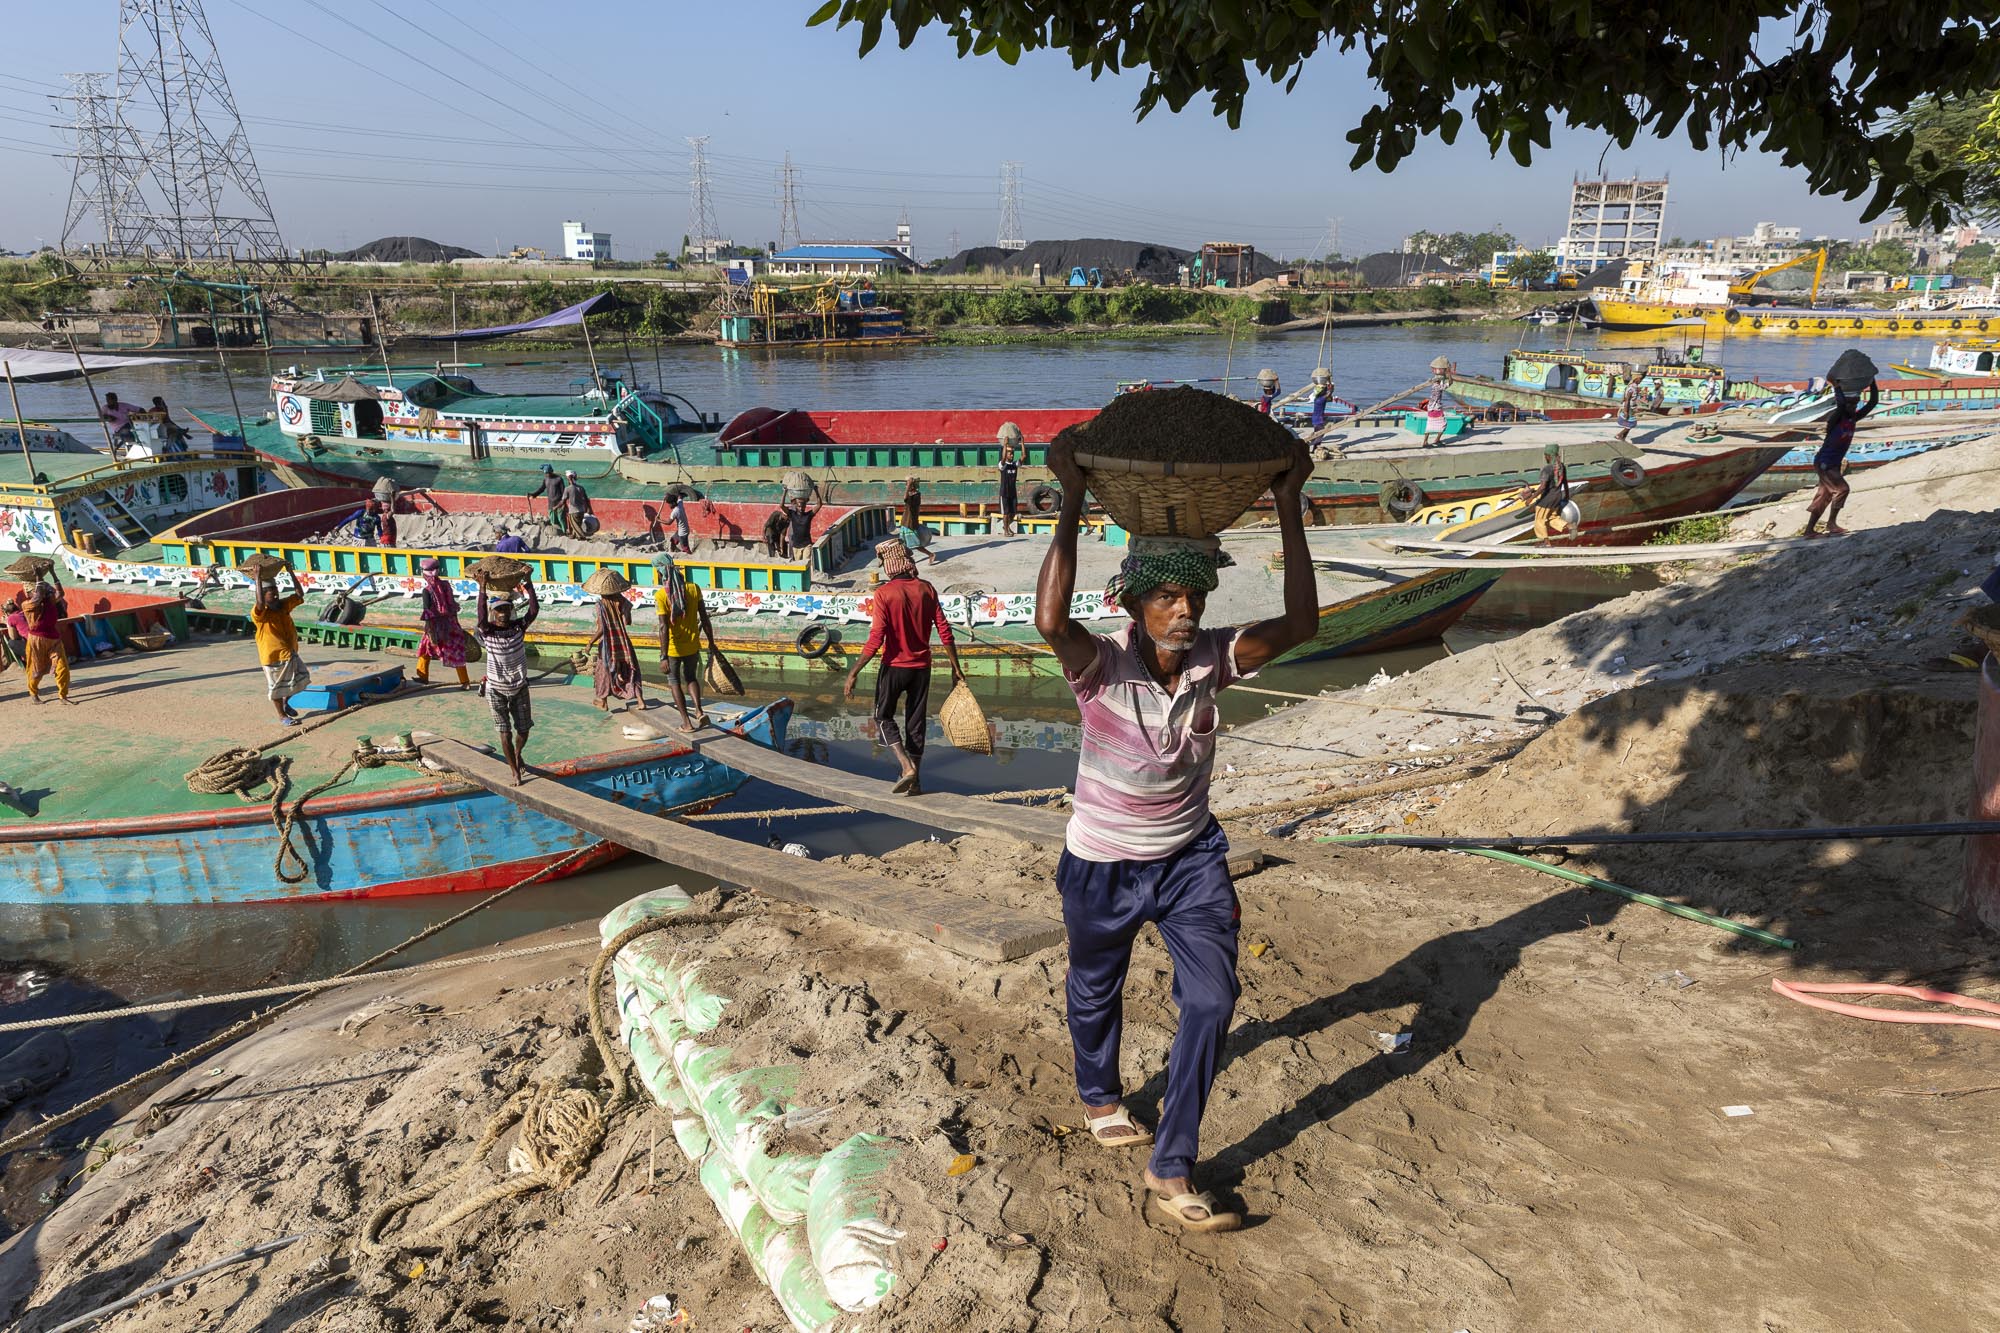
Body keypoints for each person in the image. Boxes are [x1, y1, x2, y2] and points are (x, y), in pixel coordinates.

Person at [1033, 433, 1318, 1235]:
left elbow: (1302, 620)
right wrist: (1073, 496)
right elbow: (1047, 615)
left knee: (1214, 995)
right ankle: (1098, 1091)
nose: (1185, 611)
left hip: (1191, 858)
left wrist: (1288, 502)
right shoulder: (1099, 665)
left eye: (1193, 599)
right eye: (1167, 598)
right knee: (1096, 989)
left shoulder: (1216, 660)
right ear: (1135, 605)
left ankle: (1174, 1159)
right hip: (1103, 861)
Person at [844, 536, 963, 795]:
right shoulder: (927, 588)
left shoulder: (884, 594)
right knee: (916, 723)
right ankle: (916, 782)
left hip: (895, 667)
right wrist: (956, 668)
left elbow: (876, 639)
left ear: (890, 567)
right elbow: (945, 631)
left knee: (882, 716)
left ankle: (906, 767)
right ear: (907, 563)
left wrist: (854, 672)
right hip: (922, 668)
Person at [477, 577, 539, 785]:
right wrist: (482, 588)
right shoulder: (488, 631)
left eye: (505, 609)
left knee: (524, 729)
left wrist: (528, 585)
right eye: (498, 610)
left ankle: (518, 753)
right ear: (493, 612)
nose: (502, 613)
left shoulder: (518, 628)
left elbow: (533, 611)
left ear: (510, 610)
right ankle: (514, 771)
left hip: (519, 686)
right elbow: (480, 617)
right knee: (504, 732)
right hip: (495, 689)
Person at [1802, 379, 1879, 537]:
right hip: (1825, 462)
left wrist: (1872, 382)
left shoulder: (1852, 420)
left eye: (1855, 405)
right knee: (1842, 489)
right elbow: (1842, 405)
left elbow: (1873, 402)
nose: (1852, 407)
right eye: (1850, 404)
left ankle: (1809, 530)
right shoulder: (1836, 420)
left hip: (1833, 464)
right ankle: (1831, 523)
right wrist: (1836, 386)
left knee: (1825, 494)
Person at [654, 555, 714, 732]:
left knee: (674, 682)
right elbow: (704, 617)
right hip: (692, 645)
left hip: (673, 648)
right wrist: (711, 642)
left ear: (660, 573)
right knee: (691, 678)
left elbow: (664, 627)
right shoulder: (693, 588)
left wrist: (663, 656)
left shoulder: (661, 595)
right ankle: (699, 711)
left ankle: (686, 723)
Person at [251, 574, 309, 725]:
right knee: (276, 688)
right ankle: (282, 716)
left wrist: (290, 573)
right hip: (272, 657)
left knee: (302, 678)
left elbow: (299, 594)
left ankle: (285, 702)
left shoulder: (283, 606)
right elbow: (258, 602)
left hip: (290, 653)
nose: (276, 595)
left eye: (277, 592)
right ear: (263, 596)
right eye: (272, 593)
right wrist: (258, 578)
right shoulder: (259, 613)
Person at [588, 582, 647, 711]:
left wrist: (590, 643)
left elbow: (602, 629)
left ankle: (602, 700)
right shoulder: (623, 602)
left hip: (608, 644)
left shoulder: (600, 605)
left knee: (603, 672)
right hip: (622, 641)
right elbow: (628, 622)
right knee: (632, 669)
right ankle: (641, 701)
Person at [414, 557, 472, 689]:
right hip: (451, 624)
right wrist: (456, 624)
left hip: (435, 626)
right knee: (456, 653)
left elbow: (427, 612)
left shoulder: (426, 591)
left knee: (425, 649)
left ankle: (423, 676)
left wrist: (429, 631)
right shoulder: (446, 586)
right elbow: (452, 606)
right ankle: (465, 682)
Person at [19, 579, 73, 706]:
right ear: (29, 593)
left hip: (54, 639)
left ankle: (63, 695)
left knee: (62, 668)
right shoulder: (27, 604)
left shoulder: (50, 602)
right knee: (36, 671)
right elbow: (36, 599)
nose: (43, 593)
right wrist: (38, 579)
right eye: (38, 591)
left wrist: (53, 574)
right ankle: (33, 693)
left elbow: (60, 593)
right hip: (36, 642)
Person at [1520, 442, 1570, 542]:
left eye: (1545, 455)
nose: (1545, 457)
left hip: (1546, 500)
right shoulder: (1561, 467)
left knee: (1539, 521)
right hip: (1557, 498)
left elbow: (1542, 487)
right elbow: (1565, 482)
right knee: (1552, 518)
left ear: (1548, 456)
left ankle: (1545, 542)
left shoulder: (1547, 469)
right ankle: (1570, 526)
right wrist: (1567, 496)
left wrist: (1531, 498)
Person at [997, 437, 1021, 537]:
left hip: (1012, 492)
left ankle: (1006, 526)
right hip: (1004, 493)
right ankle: (1006, 531)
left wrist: (1022, 443)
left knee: (1013, 513)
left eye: (1012, 453)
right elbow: (1003, 458)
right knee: (1006, 513)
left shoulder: (1015, 464)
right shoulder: (1002, 465)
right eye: (1009, 453)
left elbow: (1024, 456)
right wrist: (1005, 445)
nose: (1011, 455)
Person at [783, 497, 818, 561]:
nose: (801, 508)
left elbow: (819, 505)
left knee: (806, 562)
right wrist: (785, 492)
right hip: (796, 545)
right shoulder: (792, 514)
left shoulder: (808, 515)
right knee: (798, 564)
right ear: (796, 507)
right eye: (799, 507)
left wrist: (816, 491)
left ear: (805, 507)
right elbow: (781, 506)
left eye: (803, 507)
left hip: (806, 544)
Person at [1614, 374, 1645, 442]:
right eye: (1639, 379)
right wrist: (1626, 411)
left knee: (1629, 424)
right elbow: (1627, 399)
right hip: (1628, 408)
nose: (1640, 380)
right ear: (1635, 379)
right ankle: (1619, 435)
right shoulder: (1631, 388)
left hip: (1631, 407)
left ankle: (1623, 438)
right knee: (1631, 424)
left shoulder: (1634, 387)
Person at [563, 470, 593, 538]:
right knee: (578, 525)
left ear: (569, 478)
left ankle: (582, 537)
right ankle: (574, 535)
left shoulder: (567, 489)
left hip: (573, 511)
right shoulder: (581, 488)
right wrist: (589, 508)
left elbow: (563, 500)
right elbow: (586, 499)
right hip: (581, 510)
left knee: (575, 525)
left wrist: (557, 507)